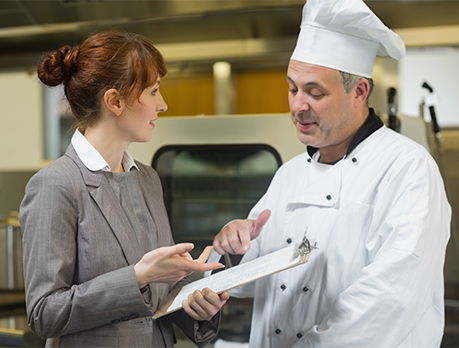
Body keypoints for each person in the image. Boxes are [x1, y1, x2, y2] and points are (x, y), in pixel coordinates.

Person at [209, 0, 451, 347]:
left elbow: (391, 295)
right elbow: (248, 279)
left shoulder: (407, 167)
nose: (297, 106)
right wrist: (232, 250)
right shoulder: (290, 175)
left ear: (360, 92)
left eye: (315, 92)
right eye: (292, 88)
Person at [19, 29, 229, 348]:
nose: (163, 105)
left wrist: (195, 304)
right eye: (154, 91)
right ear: (115, 101)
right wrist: (137, 277)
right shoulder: (56, 184)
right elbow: (44, 313)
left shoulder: (147, 179)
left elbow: (159, 296)